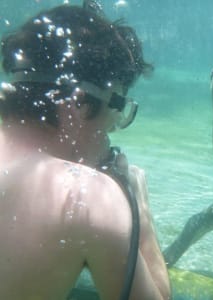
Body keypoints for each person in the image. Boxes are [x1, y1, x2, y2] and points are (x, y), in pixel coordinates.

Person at [0, 3, 170, 300]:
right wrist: (138, 210)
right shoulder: (87, 197)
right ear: (79, 102)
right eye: (118, 107)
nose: (114, 128)